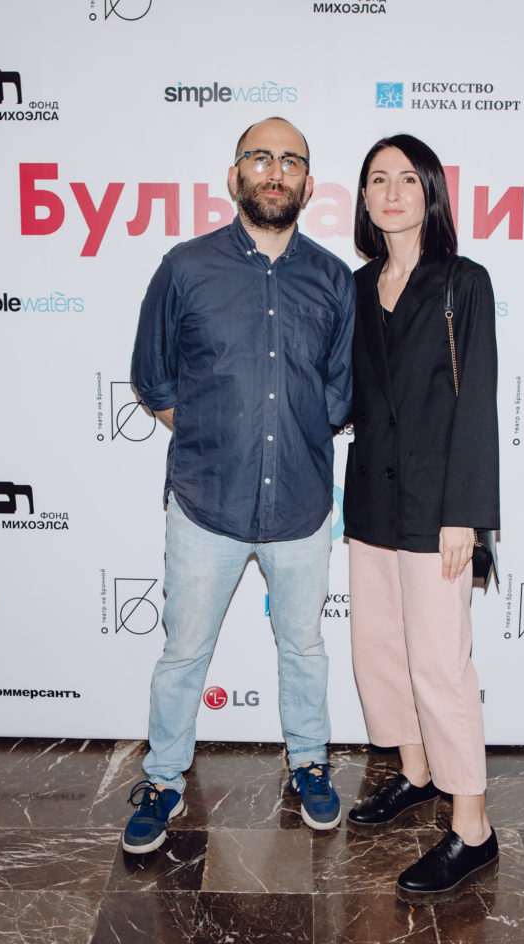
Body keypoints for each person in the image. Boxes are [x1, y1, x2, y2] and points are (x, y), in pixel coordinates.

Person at [123, 117, 355, 853]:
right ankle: (163, 779)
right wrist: (213, 437)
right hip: (206, 503)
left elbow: (339, 395)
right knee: (183, 653)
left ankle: (309, 764)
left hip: (301, 505)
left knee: (305, 649)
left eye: (291, 161)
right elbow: (153, 377)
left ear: (308, 185)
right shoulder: (185, 268)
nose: (275, 170)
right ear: (235, 175)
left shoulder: (333, 279)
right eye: (260, 157)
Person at [342, 134, 500, 905]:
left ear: (430, 193)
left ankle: (473, 827)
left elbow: (478, 401)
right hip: (371, 499)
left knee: (440, 664)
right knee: (380, 652)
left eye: (408, 178)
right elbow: (343, 396)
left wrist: (466, 514)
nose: (392, 191)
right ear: (364, 198)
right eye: (378, 179)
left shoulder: (462, 283)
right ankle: (415, 772)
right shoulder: (355, 286)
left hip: (438, 507)